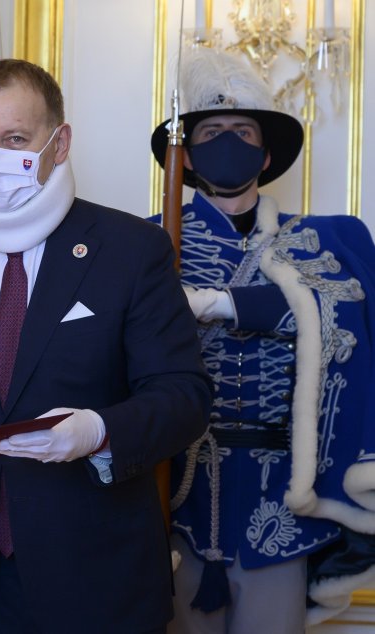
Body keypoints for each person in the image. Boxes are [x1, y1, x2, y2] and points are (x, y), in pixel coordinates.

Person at [0, 58, 212, 634]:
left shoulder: (131, 249)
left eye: (15, 139)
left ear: (60, 142)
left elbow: (184, 396)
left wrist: (98, 430)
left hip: (99, 578)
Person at [150, 48, 375, 632]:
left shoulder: (324, 244)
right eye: (212, 132)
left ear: (266, 153)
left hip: (283, 502)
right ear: (187, 155)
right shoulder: (147, 245)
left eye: (243, 132)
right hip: (175, 497)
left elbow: (342, 314)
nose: (228, 142)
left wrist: (223, 304)